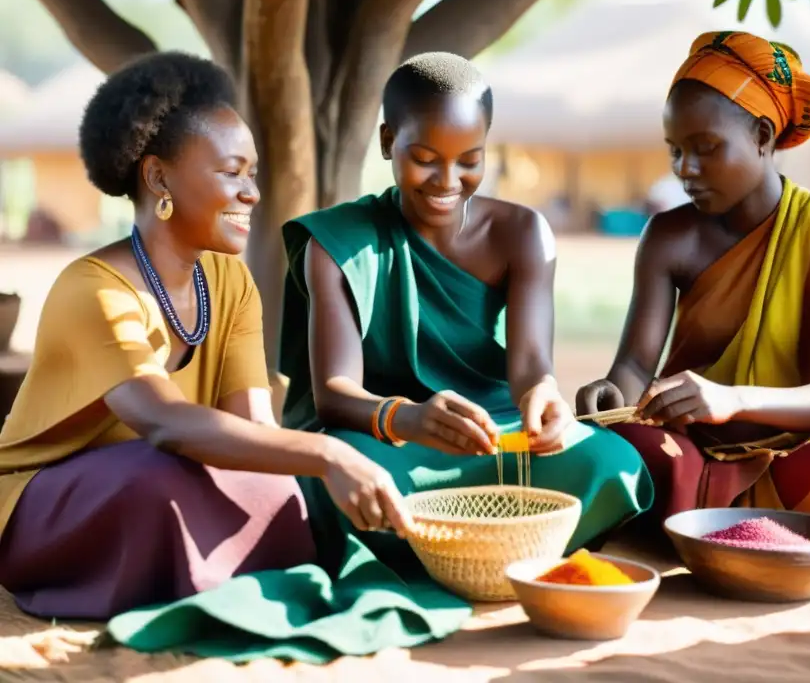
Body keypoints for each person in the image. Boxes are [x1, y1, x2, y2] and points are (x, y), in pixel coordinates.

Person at [100, 52, 653, 663]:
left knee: (612, 461)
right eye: (425, 159)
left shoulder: (522, 233)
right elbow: (335, 391)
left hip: (491, 436)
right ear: (388, 141)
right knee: (336, 480)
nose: (448, 180)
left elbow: (529, 364)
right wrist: (409, 417)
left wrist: (540, 398)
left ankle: (457, 547)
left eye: (470, 161)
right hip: (387, 440)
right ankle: (481, 553)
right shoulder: (337, 241)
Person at [0, 52, 410, 621]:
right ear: (157, 176)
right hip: (38, 506)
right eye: (231, 171)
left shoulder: (230, 281)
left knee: (279, 489)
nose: (252, 193)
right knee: (160, 477)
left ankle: (211, 582)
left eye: (253, 173)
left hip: (165, 467)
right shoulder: (92, 288)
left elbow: (253, 431)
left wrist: (311, 466)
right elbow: (167, 425)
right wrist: (326, 450)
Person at [576, 31, 810, 571]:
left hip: (808, 450)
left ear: (764, 136)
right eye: (675, 151)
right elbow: (634, 365)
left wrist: (734, 399)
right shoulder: (669, 237)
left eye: (705, 148)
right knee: (610, 449)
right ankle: (775, 521)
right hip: (692, 451)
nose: (685, 169)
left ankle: (705, 520)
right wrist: (611, 394)